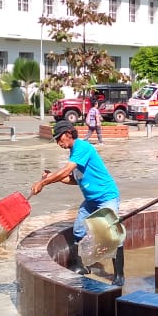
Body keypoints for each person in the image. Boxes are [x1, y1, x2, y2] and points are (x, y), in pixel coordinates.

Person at [31, 120, 124, 286]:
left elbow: (66, 171)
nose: (59, 143)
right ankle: (81, 267)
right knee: (78, 230)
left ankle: (119, 275)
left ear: (68, 133)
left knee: (113, 235)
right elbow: (73, 179)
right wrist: (52, 177)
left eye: (59, 138)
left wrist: (43, 183)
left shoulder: (82, 147)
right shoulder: (74, 152)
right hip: (91, 201)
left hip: (106, 197)